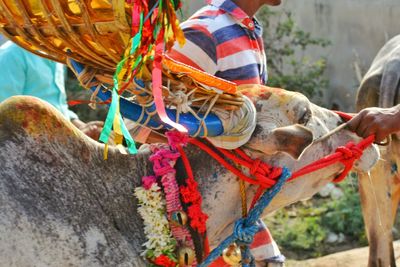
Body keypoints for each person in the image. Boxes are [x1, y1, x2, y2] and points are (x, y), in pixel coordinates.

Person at [0, 41, 103, 140]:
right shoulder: (11, 55)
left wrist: (80, 127)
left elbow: (58, 105)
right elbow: (5, 118)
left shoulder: (55, 55)